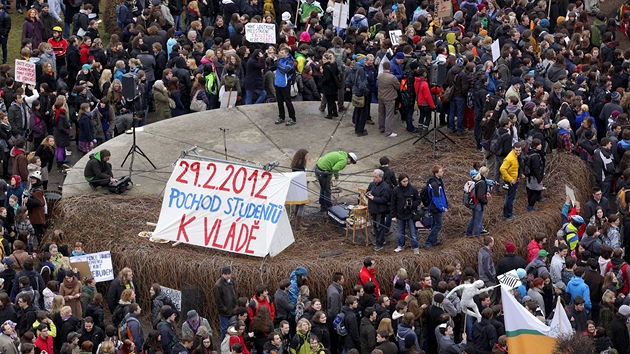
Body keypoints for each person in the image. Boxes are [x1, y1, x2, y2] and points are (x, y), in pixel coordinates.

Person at [391, 173, 420, 254]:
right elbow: (393, 203)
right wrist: (393, 215)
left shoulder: (413, 189)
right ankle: (400, 245)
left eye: (407, 181)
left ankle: (415, 247)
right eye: (404, 181)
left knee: (413, 232)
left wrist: (412, 204)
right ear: (400, 181)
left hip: (410, 213)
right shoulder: (396, 190)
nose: (405, 183)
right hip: (400, 214)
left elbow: (418, 200)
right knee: (401, 232)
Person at [424, 165, 448, 249]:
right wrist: (442, 207)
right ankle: (428, 241)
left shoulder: (437, 181)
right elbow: (436, 198)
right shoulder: (435, 184)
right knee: (438, 225)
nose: (442, 173)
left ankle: (434, 240)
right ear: (436, 173)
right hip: (435, 207)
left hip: (435, 206)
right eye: (441, 171)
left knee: (434, 224)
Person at [366, 169, 391, 251]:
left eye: (376, 177)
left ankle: (379, 244)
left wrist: (374, 198)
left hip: (380, 210)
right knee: (375, 226)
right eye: (374, 176)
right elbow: (368, 190)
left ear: (381, 177)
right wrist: (368, 194)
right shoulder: (372, 184)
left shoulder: (385, 187)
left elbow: (385, 200)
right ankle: (381, 240)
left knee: (380, 227)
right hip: (373, 209)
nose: (374, 178)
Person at [500, 142, 524, 220]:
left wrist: (520, 174)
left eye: (519, 150)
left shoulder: (516, 156)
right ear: (513, 149)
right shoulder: (510, 158)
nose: (518, 152)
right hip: (511, 181)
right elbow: (502, 169)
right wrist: (510, 179)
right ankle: (508, 215)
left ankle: (507, 213)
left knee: (510, 198)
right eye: (516, 150)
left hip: (515, 179)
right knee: (510, 198)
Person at [274, 47, 296, 126]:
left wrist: (277, 63)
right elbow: (271, 68)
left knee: (287, 101)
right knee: (279, 102)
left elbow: (285, 70)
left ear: (287, 53)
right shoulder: (279, 60)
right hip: (278, 83)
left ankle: (292, 118)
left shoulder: (290, 61)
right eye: (280, 52)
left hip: (285, 84)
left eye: (283, 53)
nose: (281, 54)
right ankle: (281, 117)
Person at [465, 166, 489, 237]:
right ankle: (476, 235)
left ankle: (468, 233)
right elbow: (480, 196)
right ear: (485, 173)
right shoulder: (482, 182)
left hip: (473, 202)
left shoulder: (475, 178)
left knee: (474, 218)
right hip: (478, 204)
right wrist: (485, 201)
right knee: (478, 220)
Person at [377, 61, 399, 138]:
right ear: (390, 68)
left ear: (383, 67)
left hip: (381, 97)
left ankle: (381, 128)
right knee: (389, 115)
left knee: (381, 113)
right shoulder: (392, 77)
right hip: (389, 98)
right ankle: (388, 132)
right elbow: (397, 87)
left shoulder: (379, 76)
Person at [214, 266, 237, 339]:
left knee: (233, 328)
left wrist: (235, 305)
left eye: (229, 273)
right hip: (224, 312)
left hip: (233, 310)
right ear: (222, 274)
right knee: (224, 329)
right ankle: (224, 344)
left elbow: (235, 293)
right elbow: (218, 300)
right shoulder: (218, 285)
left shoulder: (231, 282)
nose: (227, 275)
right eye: (225, 274)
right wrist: (224, 309)